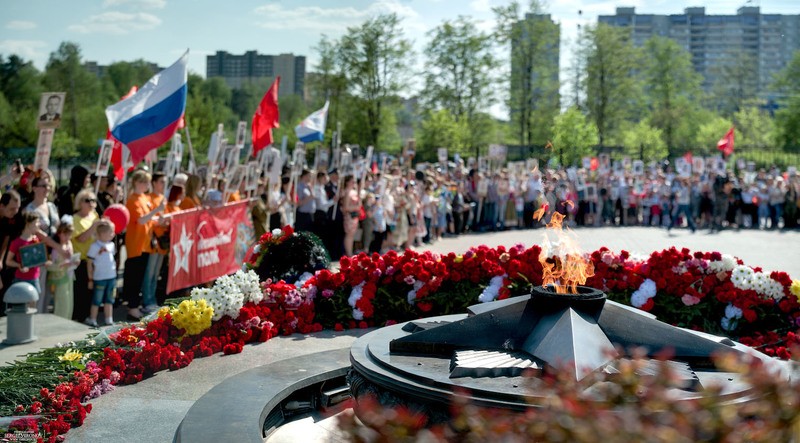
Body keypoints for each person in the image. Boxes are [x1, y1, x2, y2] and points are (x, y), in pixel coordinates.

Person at [124, 170, 163, 321]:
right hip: (136, 244)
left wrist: (157, 219)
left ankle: (135, 305)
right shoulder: (132, 200)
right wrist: (156, 212)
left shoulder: (144, 198)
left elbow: (148, 220)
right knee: (134, 276)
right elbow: (140, 220)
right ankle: (132, 307)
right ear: (137, 183)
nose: (148, 185)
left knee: (139, 276)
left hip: (145, 244)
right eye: (145, 182)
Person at [71, 189, 100, 322]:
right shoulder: (75, 218)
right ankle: (79, 316)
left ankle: (89, 315)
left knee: (91, 290)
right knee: (80, 290)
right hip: (81, 260)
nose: (91, 203)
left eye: (93, 200)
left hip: (94, 259)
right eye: (87, 200)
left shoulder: (95, 215)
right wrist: (94, 227)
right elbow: (80, 238)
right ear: (80, 202)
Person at [5, 211, 50, 295]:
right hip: (21, 279)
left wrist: (45, 262)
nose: (39, 224)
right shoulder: (17, 242)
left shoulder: (36, 240)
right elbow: (8, 261)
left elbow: (37, 259)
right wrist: (19, 265)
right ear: (28, 223)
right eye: (36, 222)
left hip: (35, 278)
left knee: (33, 305)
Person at [86, 219, 117, 327]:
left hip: (111, 276)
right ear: (103, 233)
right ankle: (92, 319)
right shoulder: (94, 246)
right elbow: (89, 263)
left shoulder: (111, 245)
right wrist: (90, 278)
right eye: (111, 232)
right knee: (97, 300)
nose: (113, 234)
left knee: (109, 299)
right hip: (99, 277)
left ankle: (109, 319)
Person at [48, 219, 78, 320]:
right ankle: (60, 322)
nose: (67, 238)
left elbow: (72, 259)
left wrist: (74, 262)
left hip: (69, 276)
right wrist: (62, 265)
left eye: (69, 235)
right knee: (61, 301)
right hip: (60, 278)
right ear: (59, 234)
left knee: (70, 301)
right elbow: (51, 265)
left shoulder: (69, 244)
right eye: (65, 235)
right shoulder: (56, 249)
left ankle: (68, 321)